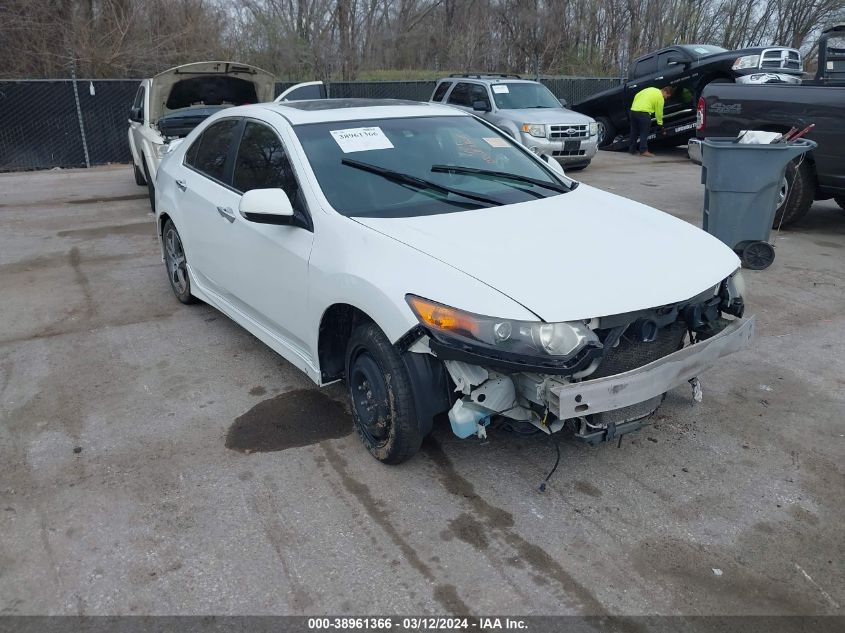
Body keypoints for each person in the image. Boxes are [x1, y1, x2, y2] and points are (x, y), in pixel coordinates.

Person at [629, 86, 675, 157]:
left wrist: (635, 106)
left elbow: (637, 94)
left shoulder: (651, 89)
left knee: (634, 131)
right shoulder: (660, 98)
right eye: (667, 96)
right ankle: (643, 151)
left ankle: (632, 150)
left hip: (633, 111)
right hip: (644, 113)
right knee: (644, 133)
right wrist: (660, 124)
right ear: (665, 92)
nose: (666, 98)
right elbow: (659, 113)